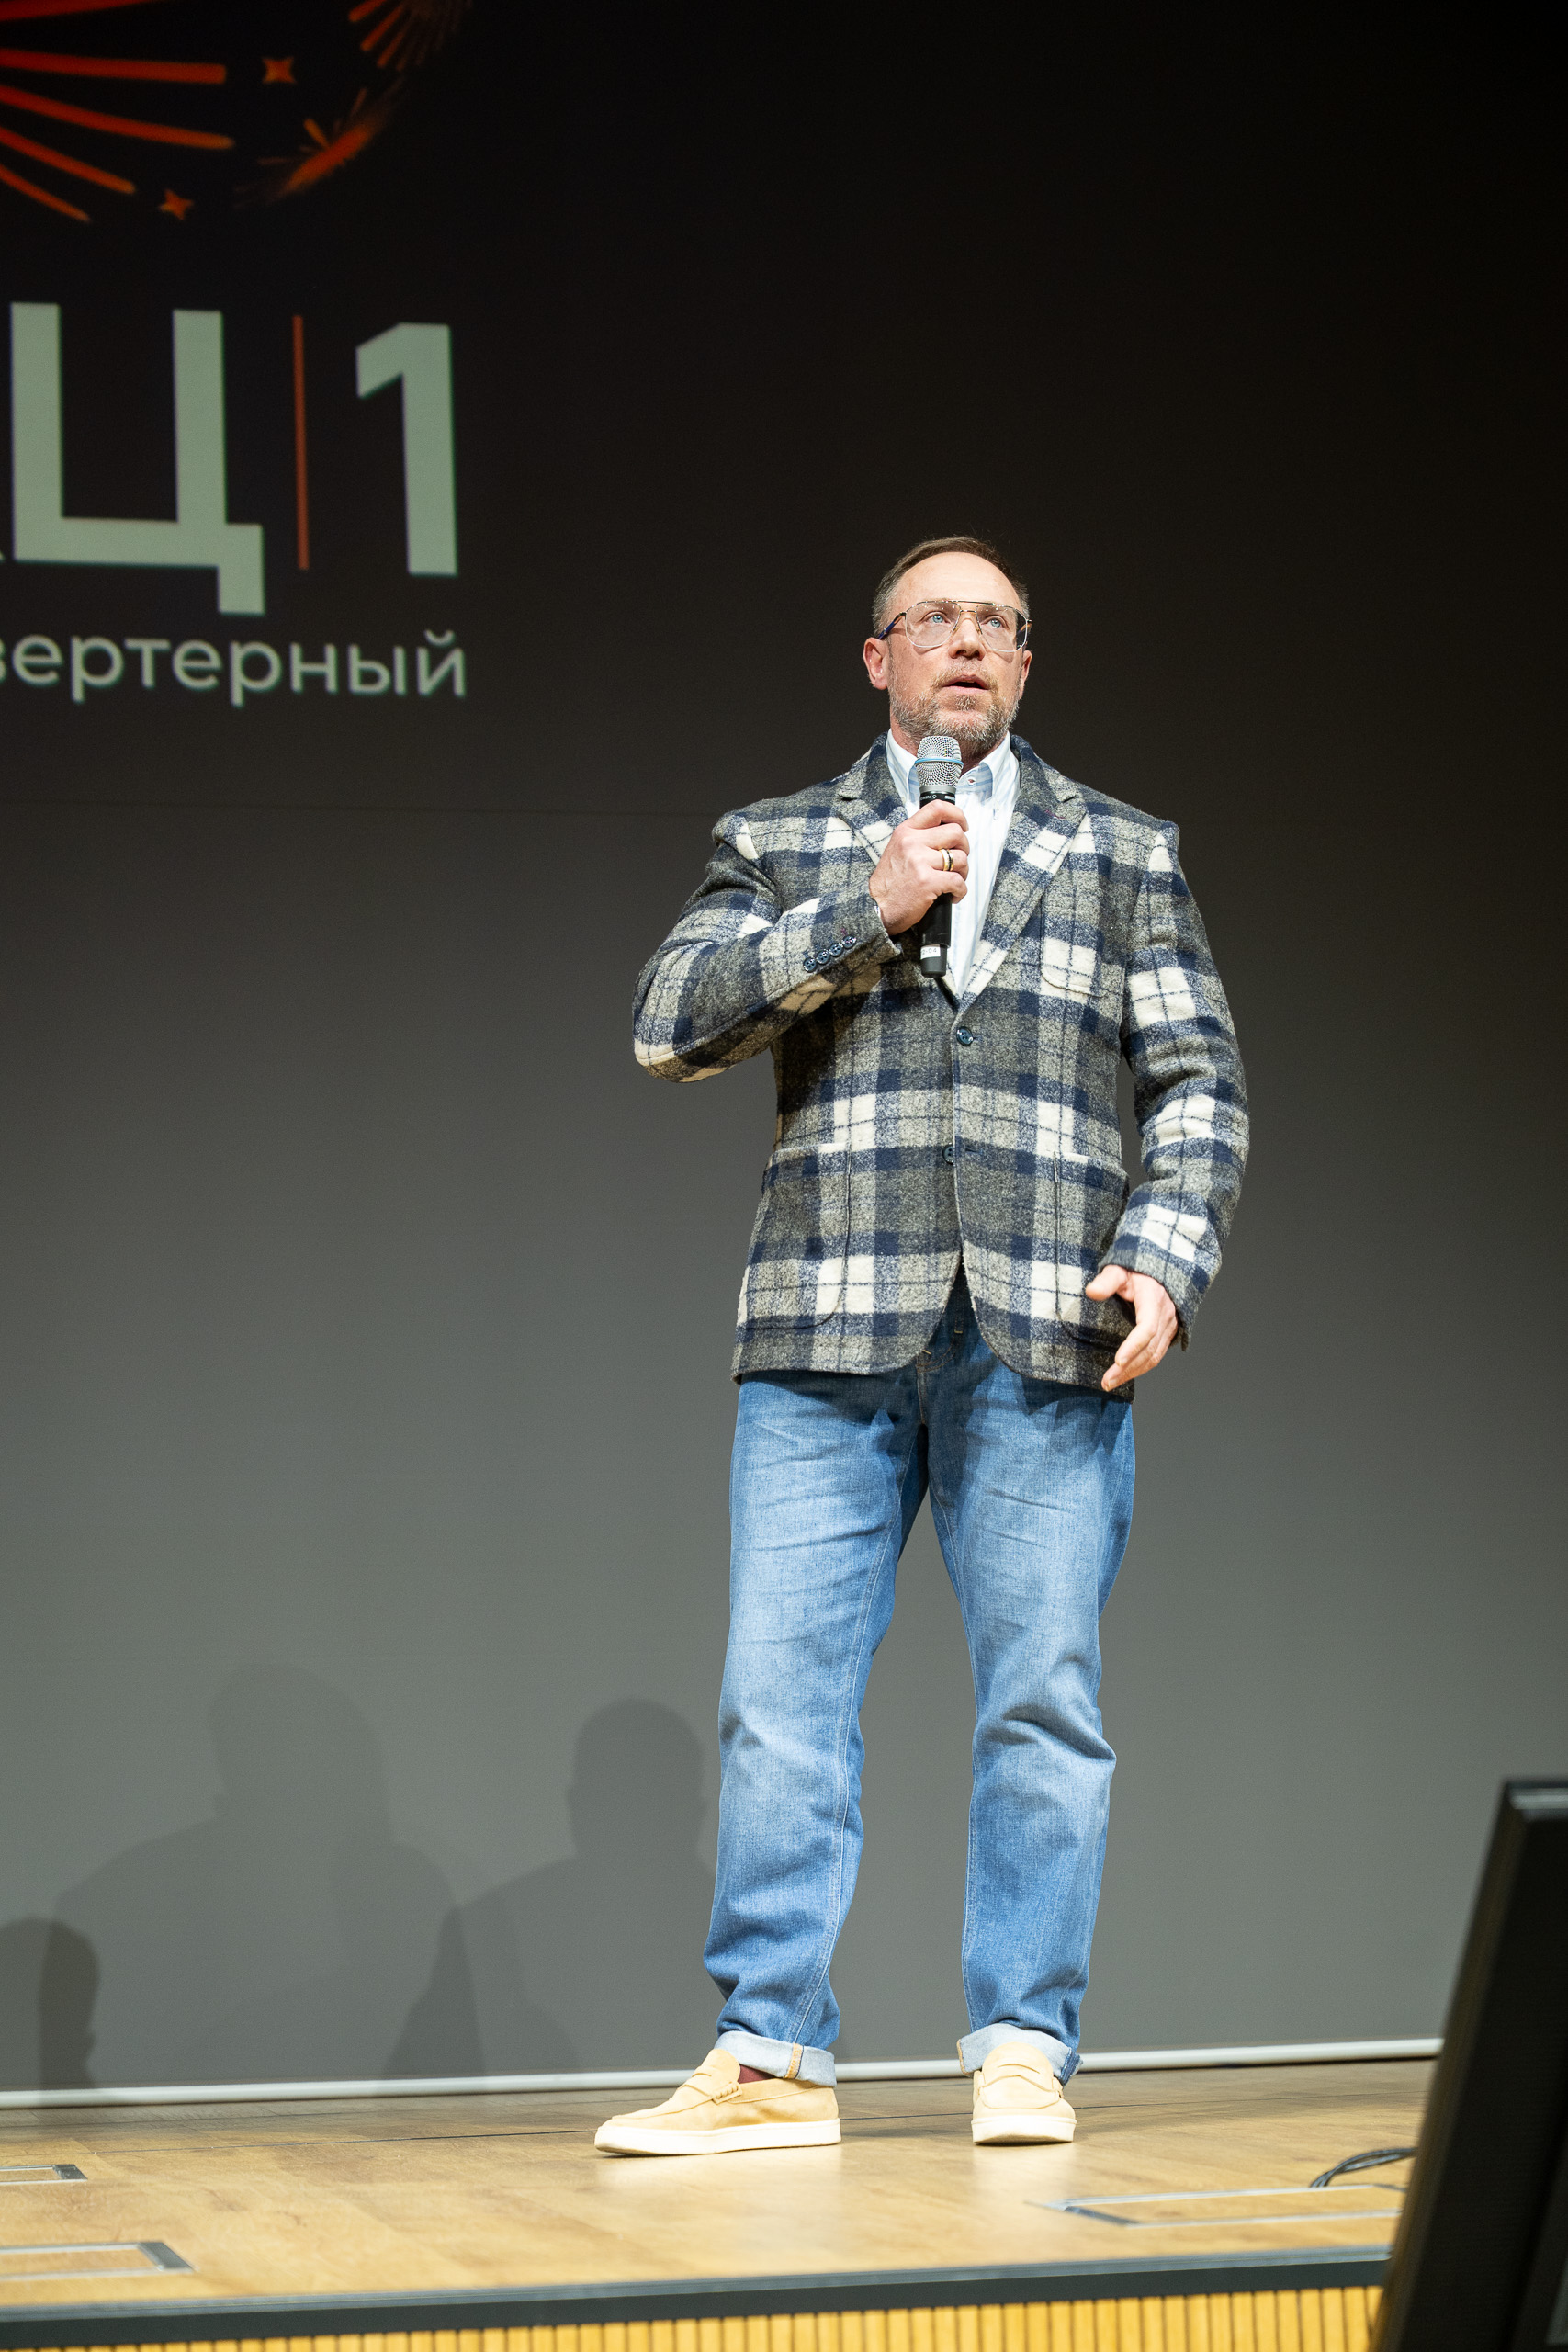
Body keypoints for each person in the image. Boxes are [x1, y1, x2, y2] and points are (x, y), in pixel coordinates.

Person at [598, 535, 1248, 2156]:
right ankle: (768, 2057)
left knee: (1045, 1701)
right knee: (780, 1702)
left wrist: (1167, 1255)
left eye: (996, 624)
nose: (966, 641)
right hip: (828, 1322)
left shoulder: (1122, 848)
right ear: (877, 657)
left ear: (1024, 666)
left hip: (1046, 1330)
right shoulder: (782, 838)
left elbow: (1199, 1082)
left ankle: (1023, 2047)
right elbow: (669, 1024)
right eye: (934, 619)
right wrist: (868, 907)